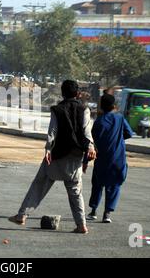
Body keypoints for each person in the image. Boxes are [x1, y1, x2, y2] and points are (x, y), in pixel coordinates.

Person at [8, 80, 96, 234]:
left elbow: (52, 131)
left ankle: (22, 215)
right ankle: (81, 225)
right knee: (75, 191)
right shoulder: (84, 109)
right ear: (78, 94)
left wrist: (48, 150)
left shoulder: (57, 109)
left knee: (39, 184)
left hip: (56, 155)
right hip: (75, 156)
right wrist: (90, 147)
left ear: (62, 94)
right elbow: (86, 131)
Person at [86, 94, 133, 223]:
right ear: (114, 106)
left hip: (102, 159)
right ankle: (107, 214)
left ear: (101, 106)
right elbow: (129, 133)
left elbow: (92, 139)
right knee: (113, 185)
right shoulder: (120, 118)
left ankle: (93, 211)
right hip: (118, 159)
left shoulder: (99, 121)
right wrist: (118, 140)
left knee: (97, 184)